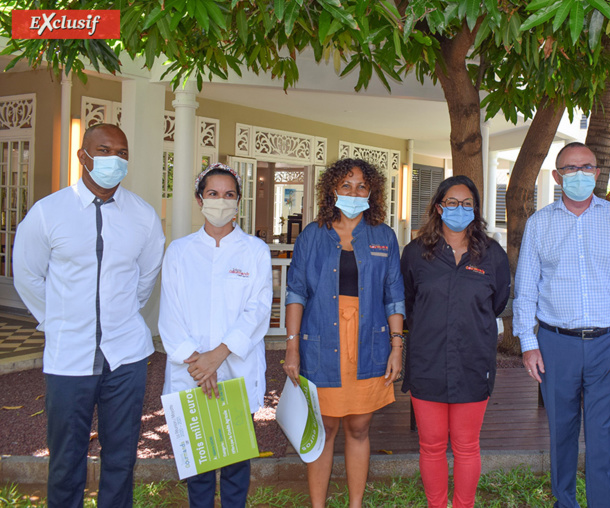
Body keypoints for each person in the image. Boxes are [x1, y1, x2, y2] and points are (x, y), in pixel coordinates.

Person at [13, 123, 165, 508]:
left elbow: (146, 276)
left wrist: (120, 313)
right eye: (104, 150)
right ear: (83, 156)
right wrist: (58, 320)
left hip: (126, 357)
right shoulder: (49, 213)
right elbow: (28, 275)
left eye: (122, 153)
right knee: (66, 459)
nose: (114, 159)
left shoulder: (144, 216)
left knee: (121, 457)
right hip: (68, 357)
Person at [513, 142, 610, 508]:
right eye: (570, 168)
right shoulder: (539, 223)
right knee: (561, 431)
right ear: (557, 176)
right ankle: (565, 502)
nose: (579, 174)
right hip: (556, 344)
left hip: (609, 344)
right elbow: (525, 290)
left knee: (604, 435)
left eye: (586, 167)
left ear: (597, 172)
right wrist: (528, 343)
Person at [282, 158, 405, 508]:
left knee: (359, 428)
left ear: (372, 192)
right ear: (332, 190)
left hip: (368, 344)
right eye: (346, 185)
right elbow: (296, 292)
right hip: (321, 343)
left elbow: (394, 295)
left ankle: (355, 504)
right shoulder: (312, 235)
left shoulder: (383, 236)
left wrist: (397, 346)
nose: (354, 192)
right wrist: (292, 347)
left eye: (362, 186)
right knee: (324, 429)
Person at [158, 163, 272, 507]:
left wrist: (217, 356)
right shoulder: (179, 251)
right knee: (200, 466)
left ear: (238, 201)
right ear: (199, 200)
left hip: (236, 369)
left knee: (236, 463)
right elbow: (170, 313)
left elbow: (258, 310)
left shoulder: (254, 250)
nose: (221, 201)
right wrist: (199, 362)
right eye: (213, 194)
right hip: (191, 372)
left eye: (228, 194)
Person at [400, 175, 510, 508]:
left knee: (466, 446)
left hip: (472, 363)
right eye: (451, 202)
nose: (459, 209)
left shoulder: (492, 255)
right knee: (431, 446)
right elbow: (408, 303)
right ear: (438, 207)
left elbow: (497, 303)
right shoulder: (416, 253)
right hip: (427, 362)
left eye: (467, 203)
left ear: (475, 209)